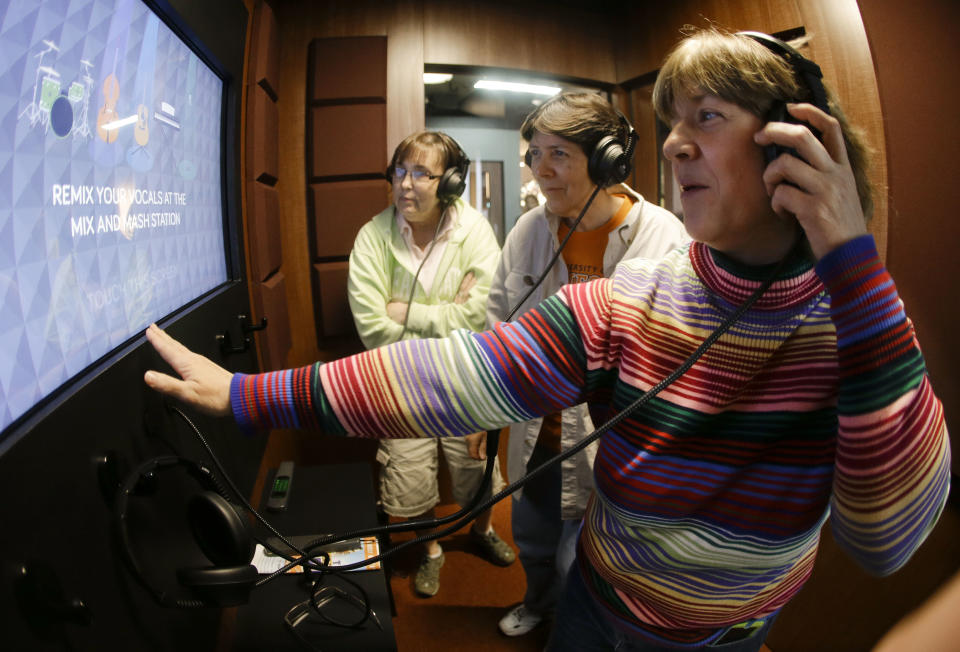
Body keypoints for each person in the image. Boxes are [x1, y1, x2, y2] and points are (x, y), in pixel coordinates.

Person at [143, 28, 951, 651]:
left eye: (706, 118)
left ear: (794, 144)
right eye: (672, 123)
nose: (674, 143)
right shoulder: (629, 300)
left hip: (729, 635)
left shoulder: (866, 324)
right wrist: (248, 395)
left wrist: (851, 263)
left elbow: (886, 541)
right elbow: (455, 370)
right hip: (599, 608)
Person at [487, 92, 689, 638]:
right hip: (538, 438)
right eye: (534, 155)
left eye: (558, 154)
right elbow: (496, 324)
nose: (541, 171)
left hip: (614, 449)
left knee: (585, 561)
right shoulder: (528, 232)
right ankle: (539, 604)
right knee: (532, 540)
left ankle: (575, 632)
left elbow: (668, 359)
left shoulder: (663, 237)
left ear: (606, 159)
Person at [346, 130, 513, 598]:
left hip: (467, 380)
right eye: (400, 171)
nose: (405, 184)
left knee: (477, 471)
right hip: (399, 384)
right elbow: (373, 329)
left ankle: (481, 531)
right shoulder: (372, 237)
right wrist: (447, 316)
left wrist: (408, 311)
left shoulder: (474, 231)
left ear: (451, 182)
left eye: (422, 173)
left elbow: (478, 315)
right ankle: (433, 550)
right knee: (412, 479)